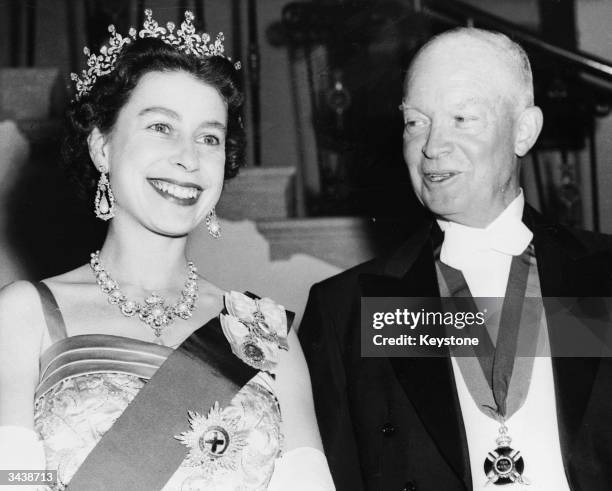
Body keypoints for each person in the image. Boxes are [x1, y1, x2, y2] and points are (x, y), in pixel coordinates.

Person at [0, 10, 334, 491]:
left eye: (209, 137)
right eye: (161, 126)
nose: (189, 156)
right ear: (102, 146)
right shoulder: (26, 314)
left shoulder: (264, 332)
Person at [299, 27, 612, 491]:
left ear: (523, 130)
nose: (432, 146)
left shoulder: (602, 278)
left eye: (462, 118)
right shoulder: (348, 311)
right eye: (415, 122)